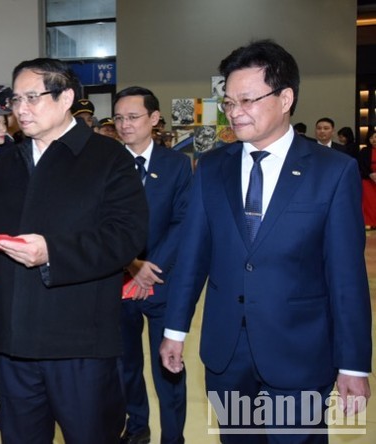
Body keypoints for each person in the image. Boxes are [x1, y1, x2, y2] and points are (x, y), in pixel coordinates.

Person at [0, 57, 149, 444]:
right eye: (15, 99)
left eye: (33, 97)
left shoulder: (106, 158)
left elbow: (126, 236)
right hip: (15, 342)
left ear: (65, 98)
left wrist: (52, 253)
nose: (20, 108)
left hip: (80, 343)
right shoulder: (9, 162)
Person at [160, 39, 372, 442]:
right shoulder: (211, 168)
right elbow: (192, 256)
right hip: (227, 355)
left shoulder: (333, 172)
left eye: (248, 100)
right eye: (228, 103)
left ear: (286, 97)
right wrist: (175, 329)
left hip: (300, 353)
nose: (235, 113)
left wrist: (354, 365)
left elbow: (346, 276)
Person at [113, 86, 192, 444]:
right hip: (119, 279)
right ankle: (137, 426)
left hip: (163, 280)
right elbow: (101, 222)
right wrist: (132, 264)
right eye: (119, 118)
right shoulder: (107, 164)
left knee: (168, 365)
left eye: (133, 117)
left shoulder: (177, 164)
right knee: (125, 364)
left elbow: (183, 221)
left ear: (154, 119)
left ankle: (173, 436)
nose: (125, 125)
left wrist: (151, 267)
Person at [359, 130, 376, 229]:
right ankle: (369, 223)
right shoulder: (364, 151)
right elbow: (361, 165)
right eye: (371, 138)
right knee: (369, 204)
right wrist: (370, 174)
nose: (374, 140)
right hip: (368, 180)